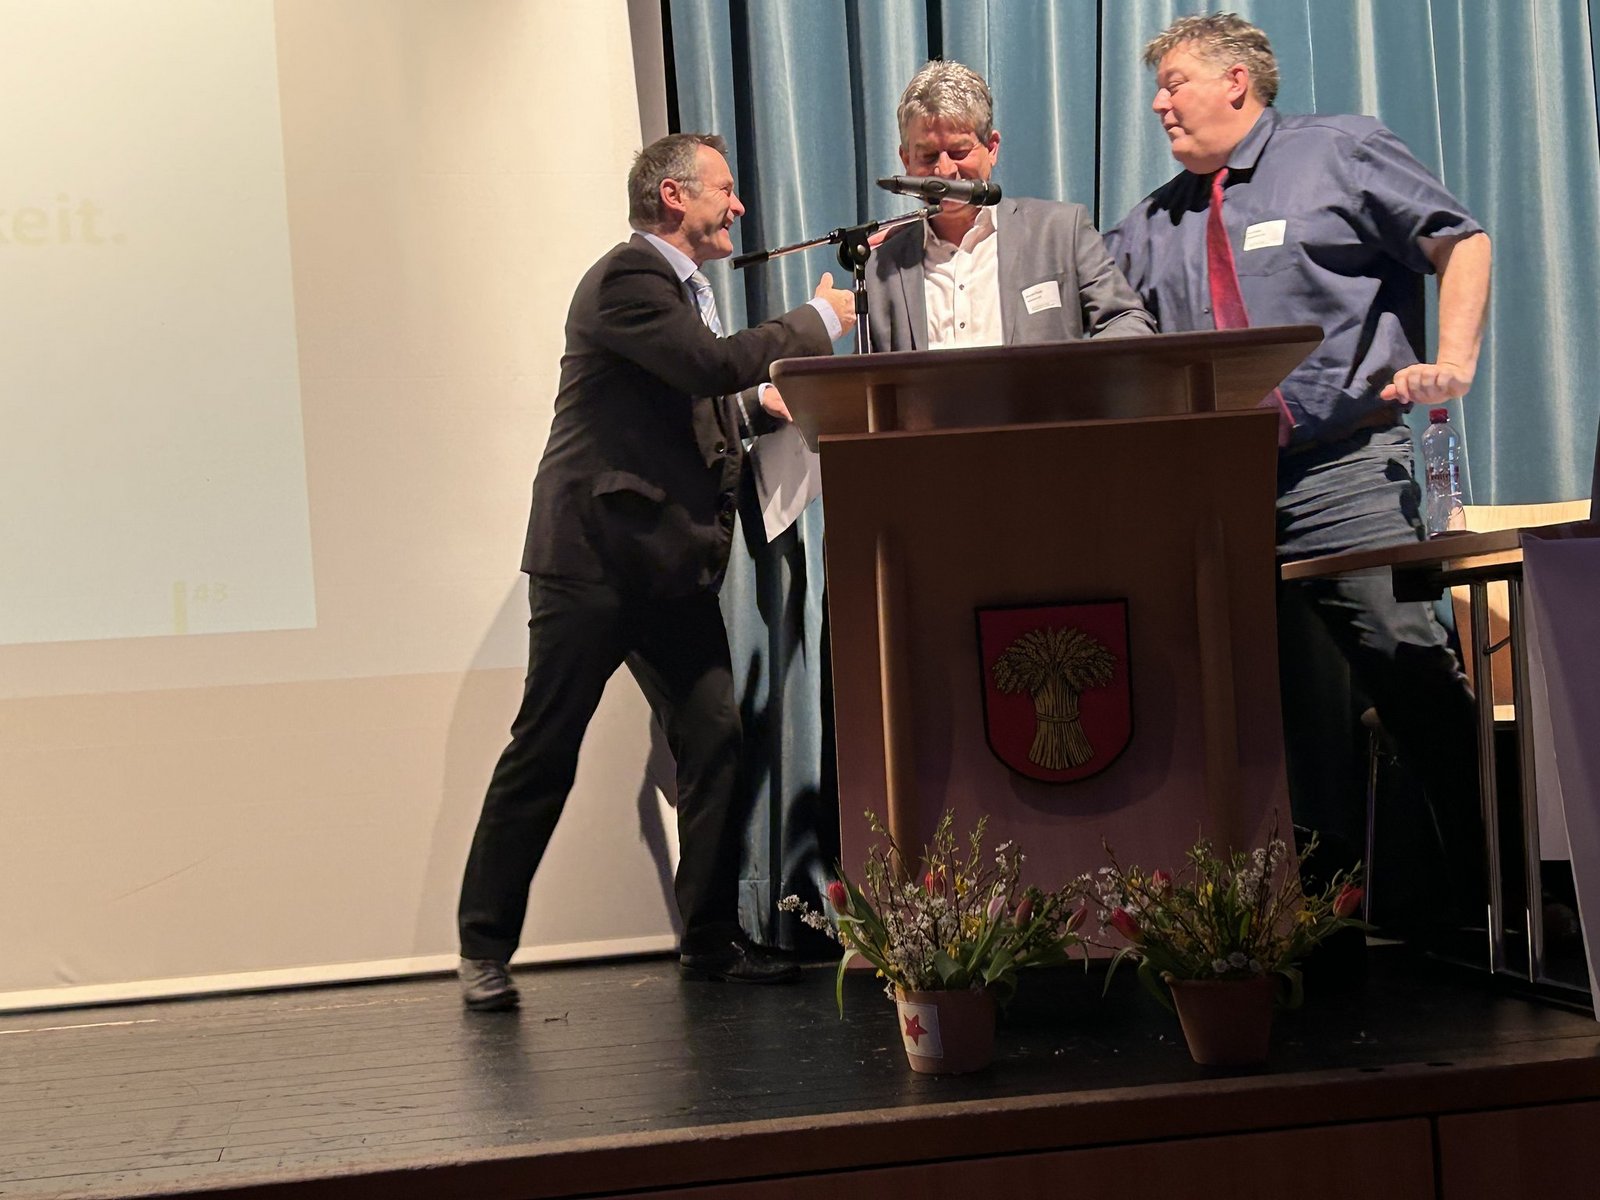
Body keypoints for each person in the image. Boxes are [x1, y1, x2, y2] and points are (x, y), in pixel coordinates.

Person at [1106, 13, 1493, 933]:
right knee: (1234, 708)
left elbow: (1461, 239)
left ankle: (1496, 898)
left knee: (1408, 671)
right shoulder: (1150, 224)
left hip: (1345, 468)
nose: (1159, 105)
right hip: (1214, 493)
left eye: (1175, 83)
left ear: (1236, 81)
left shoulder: (1339, 152)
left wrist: (1453, 361)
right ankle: (1281, 925)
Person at [456, 133, 855, 1011]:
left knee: (714, 737)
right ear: (674, 196)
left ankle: (708, 941)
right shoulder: (627, 279)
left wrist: (756, 410)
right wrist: (816, 322)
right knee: (546, 749)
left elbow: (688, 401)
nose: (738, 205)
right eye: (725, 188)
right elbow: (704, 366)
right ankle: (482, 946)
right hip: (594, 564)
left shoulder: (676, 295)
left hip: (669, 572)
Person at [865, 59, 1155, 351]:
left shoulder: (1060, 231)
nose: (945, 170)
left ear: (992, 148)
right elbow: (866, 373)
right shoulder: (882, 266)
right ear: (906, 161)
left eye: (959, 152)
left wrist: (1075, 373)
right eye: (928, 156)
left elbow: (1128, 320)